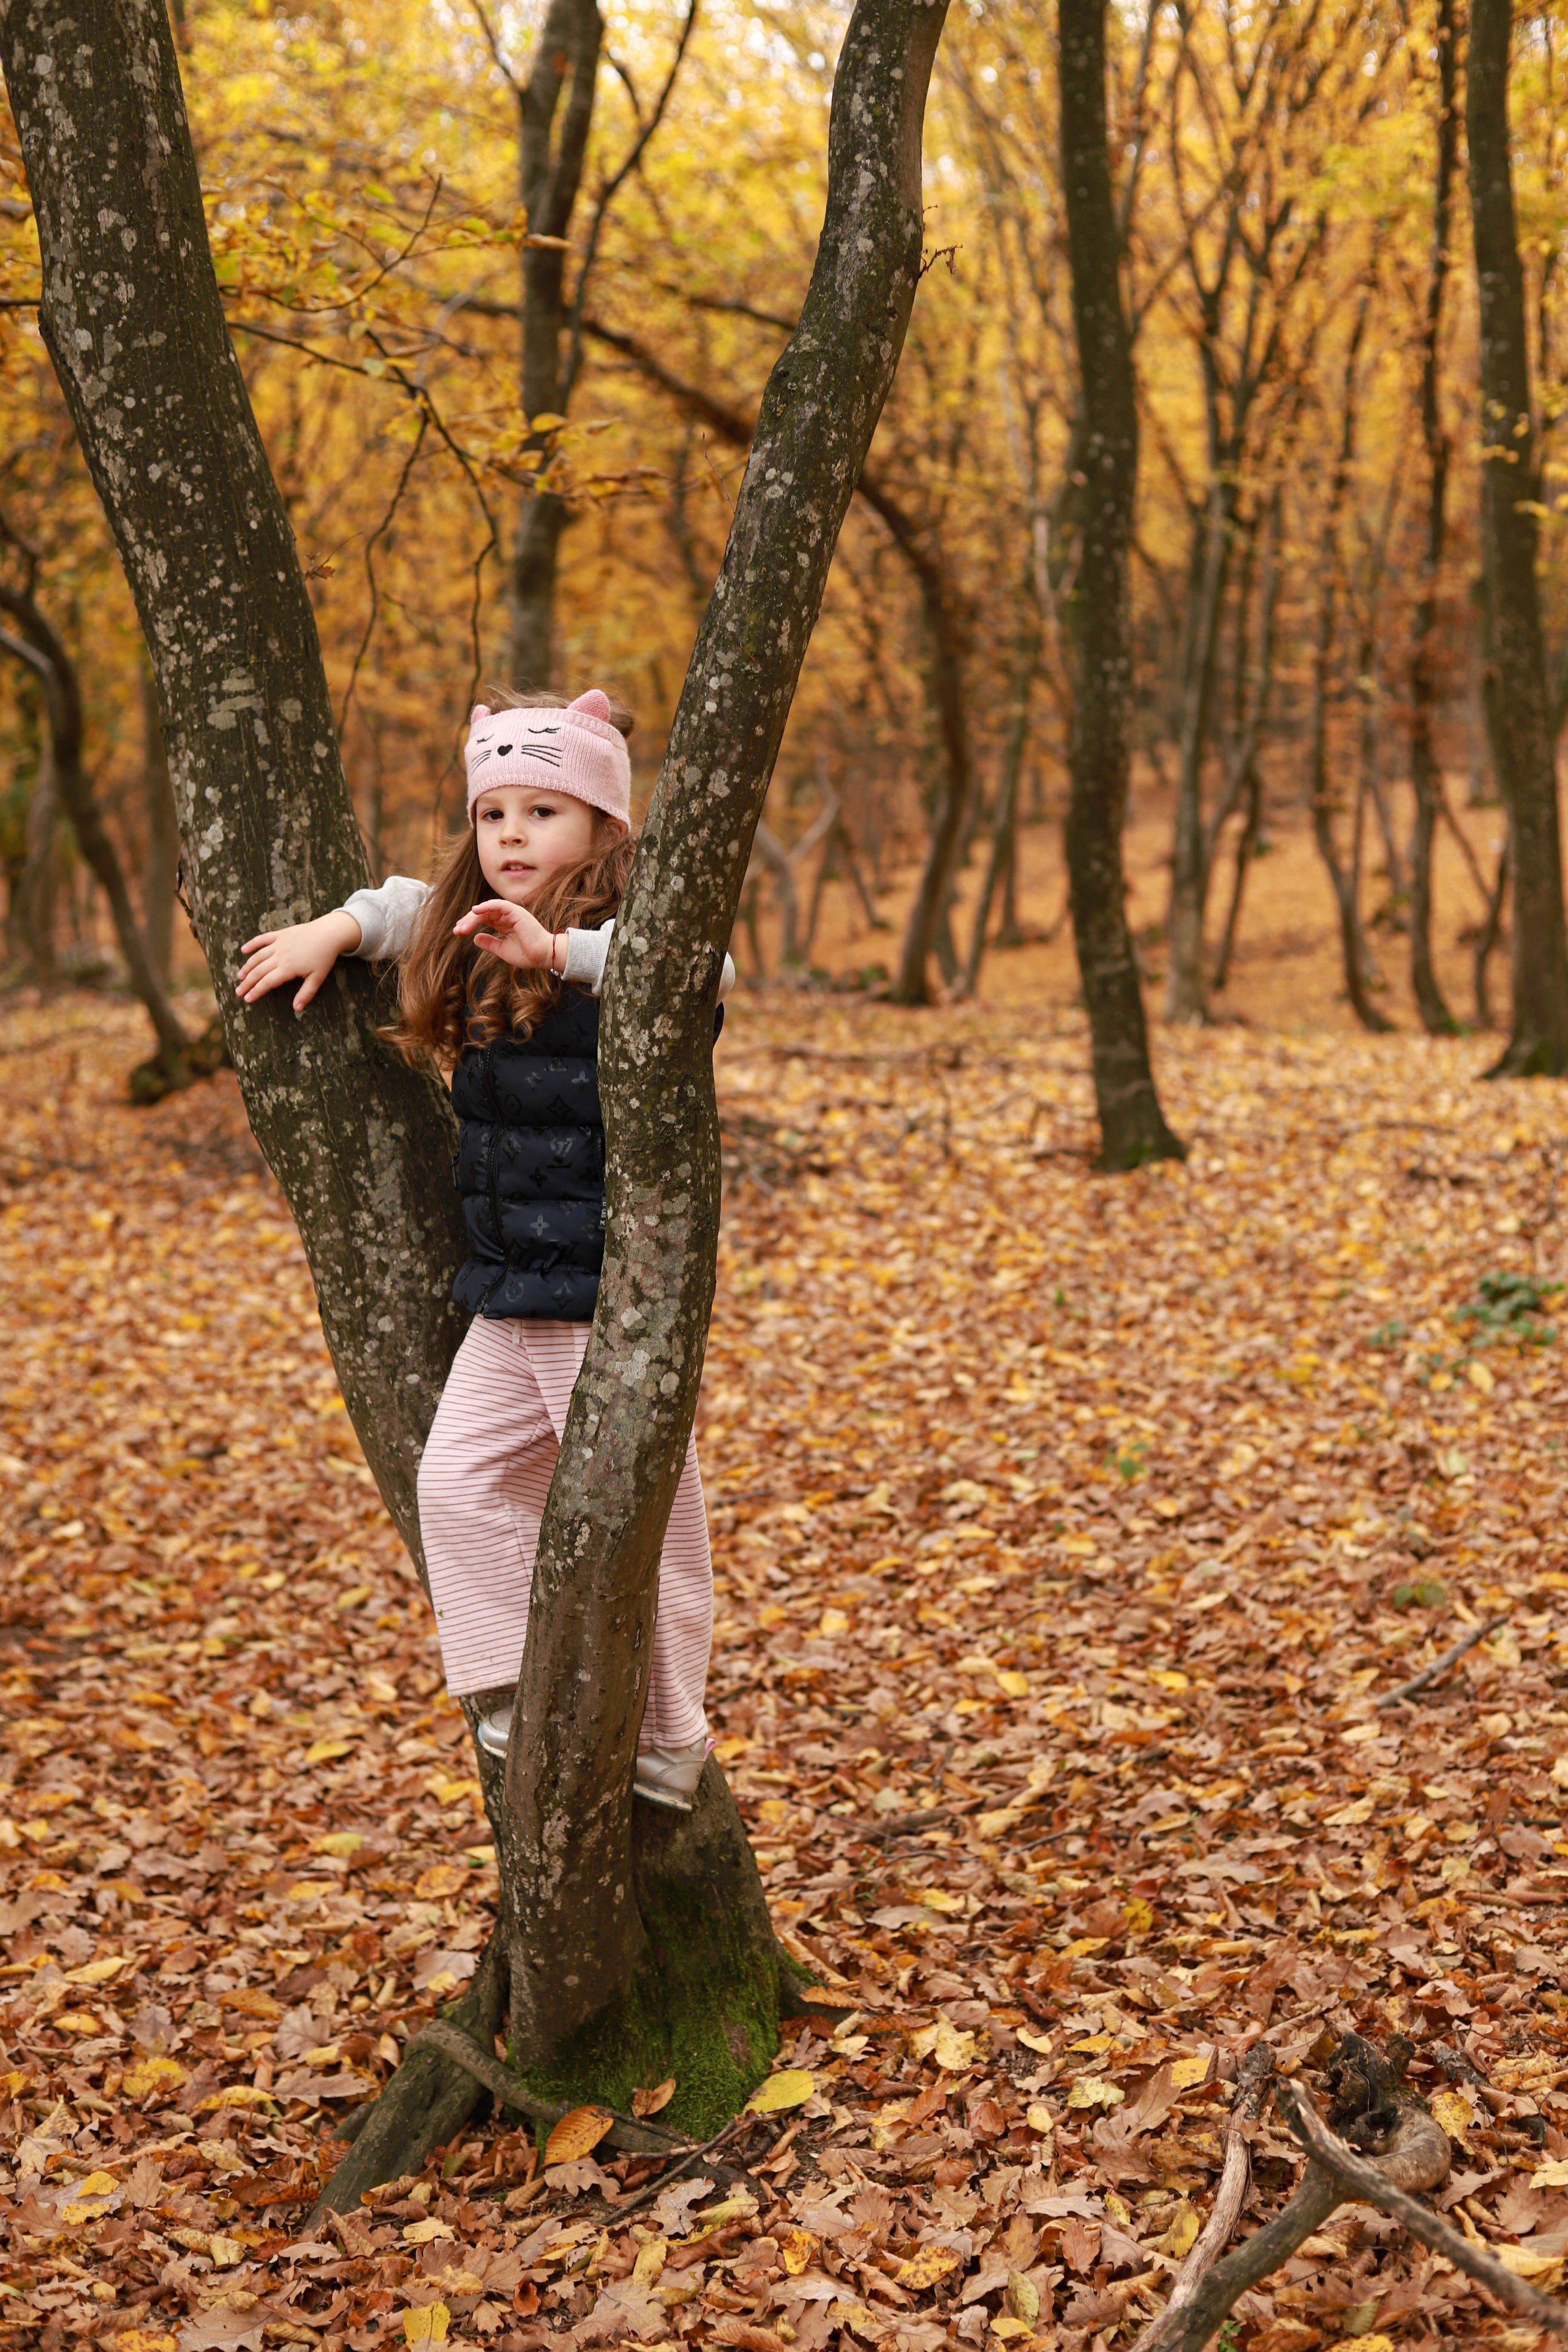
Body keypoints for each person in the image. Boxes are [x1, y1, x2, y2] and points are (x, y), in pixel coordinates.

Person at [235, 688, 731, 1811]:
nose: (511, 835)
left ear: (604, 826)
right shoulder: (467, 919)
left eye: (544, 811)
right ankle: (513, 1686)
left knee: (639, 1522)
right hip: (512, 1286)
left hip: (605, 1294)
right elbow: (406, 903)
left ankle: (669, 1735)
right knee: (456, 1481)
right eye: (494, 811)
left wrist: (558, 950)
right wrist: (339, 929)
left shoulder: (635, 934)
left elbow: (705, 974)